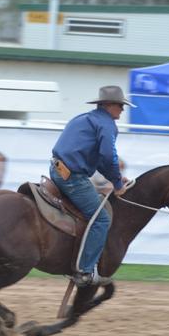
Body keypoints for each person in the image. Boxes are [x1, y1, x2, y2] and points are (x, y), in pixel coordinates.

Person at [50, 85, 133, 287]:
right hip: (73, 178)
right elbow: (108, 156)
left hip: (56, 170)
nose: (122, 110)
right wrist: (117, 183)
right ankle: (84, 271)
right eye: (120, 105)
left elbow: (100, 160)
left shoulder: (82, 119)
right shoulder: (107, 126)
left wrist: (116, 179)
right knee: (101, 219)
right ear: (108, 105)